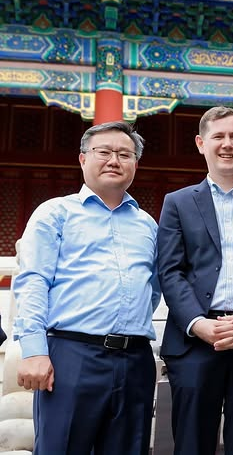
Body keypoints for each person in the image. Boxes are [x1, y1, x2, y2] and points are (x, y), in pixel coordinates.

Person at [13, 121, 159, 454]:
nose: (114, 160)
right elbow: (34, 280)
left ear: (135, 164)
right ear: (82, 159)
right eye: (104, 152)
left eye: (125, 154)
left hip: (135, 360)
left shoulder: (148, 225)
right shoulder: (55, 213)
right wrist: (34, 350)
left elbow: (152, 289)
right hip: (72, 356)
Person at [157, 106, 233, 454]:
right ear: (201, 143)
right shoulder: (177, 203)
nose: (227, 144)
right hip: (194, 341)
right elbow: (170, 271)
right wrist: (198, 323)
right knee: (192, 443)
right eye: (218, 136)